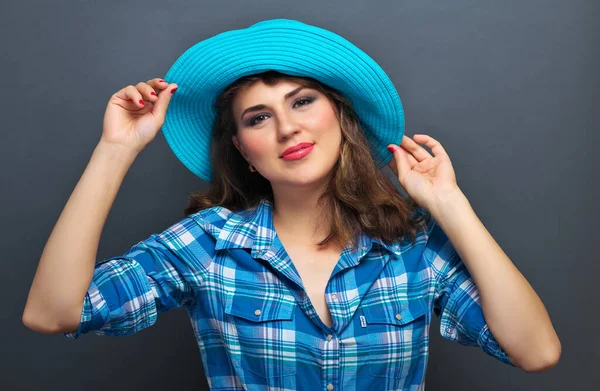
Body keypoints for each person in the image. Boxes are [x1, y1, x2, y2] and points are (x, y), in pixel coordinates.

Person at [22, 18, 560, 390]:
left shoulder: (412, 248)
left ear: (340, 117)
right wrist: (115, 150)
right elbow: (52, 312)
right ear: (244, 151)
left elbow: (536, 352)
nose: (287, 127)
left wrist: (449, 204)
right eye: (258, 117)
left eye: (302, 101)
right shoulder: (208, 245)